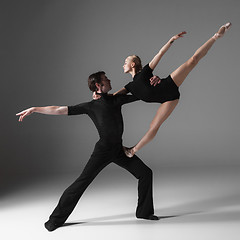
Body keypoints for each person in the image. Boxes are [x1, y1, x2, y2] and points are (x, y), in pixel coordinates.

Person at [16, 71, 159, 232]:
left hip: (118, 150)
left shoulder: (115, 100)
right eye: (106, 79)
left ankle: (144, 213)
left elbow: (143, 95)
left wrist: (154, 81)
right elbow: (58, 109)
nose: (110, 80)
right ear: (98, 85)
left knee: (145, 173)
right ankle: (54, 220)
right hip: (103, 151)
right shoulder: (91, 106)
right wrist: (35, 109)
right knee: (81, 183)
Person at [114, 22, 232, 157]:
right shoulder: (130, 87)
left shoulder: (145, 72)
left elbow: (160, 54)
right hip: (170, 99)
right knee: (154, 126)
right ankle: (132, 151)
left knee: (192, 61)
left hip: (169, 85)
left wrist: (171, 40)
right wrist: (97, 95)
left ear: (133, 64)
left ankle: (216, 36)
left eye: (125, 62)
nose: (123, 64)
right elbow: (114, 96)